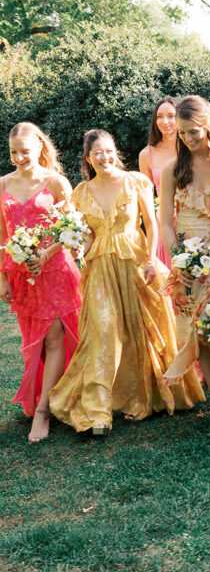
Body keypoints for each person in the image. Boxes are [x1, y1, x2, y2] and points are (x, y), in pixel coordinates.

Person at [49, 130, 204, 434]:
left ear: (115, 151)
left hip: (136, 261)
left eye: (108, 151)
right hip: (101, 266)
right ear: (88, 158)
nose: (104, 158)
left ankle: (141, 398)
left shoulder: (136, 181)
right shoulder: (80, 192)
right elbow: (89, 234)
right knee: (103, 330)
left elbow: (151, 222)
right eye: (97, 153)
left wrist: (150, 260)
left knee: (139, 330)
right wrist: (80, 243)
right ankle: (97, 413)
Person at [160, 96, 210, 433]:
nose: (187, 139)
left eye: (193, 131)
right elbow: (165, 220)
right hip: (189, 259)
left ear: (208, 123)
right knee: (200, 333)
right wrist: (177, 258)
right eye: (181, 133)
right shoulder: (172, 170)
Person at [0, 123, 80, 442]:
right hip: (22, 277)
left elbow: (71, 227)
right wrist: (3, 277)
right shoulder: (2, 184)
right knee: (33, 340)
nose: (20, 157)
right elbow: (2, 236)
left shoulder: (56, 181)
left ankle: (44, 412)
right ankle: (51, 394)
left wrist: (46, 254)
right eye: (13, 152)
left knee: (54, 337)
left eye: (25, 151)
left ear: (39, 147)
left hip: (56, 270)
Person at [139, 96, 177, 266]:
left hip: (192, 218)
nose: (165, 121)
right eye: (159, 116)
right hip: (163, 222)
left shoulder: (190, 149)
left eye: (171, 115)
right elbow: (146, 199)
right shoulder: (147, 154)